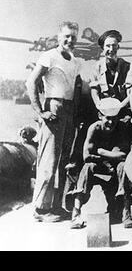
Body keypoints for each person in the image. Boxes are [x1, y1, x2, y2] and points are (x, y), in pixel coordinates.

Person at [26, 21, 81, 222]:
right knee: (48, 159)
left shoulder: (75, 61)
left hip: (68, 110)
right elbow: (31, 82)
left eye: (73, 37)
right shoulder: (49, 56)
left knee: (63, 161)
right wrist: (40, 112)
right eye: (66, 36)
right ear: (59, 37)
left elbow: (75, 88)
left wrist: (76, 115)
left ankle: (56, 206)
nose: (70, 40)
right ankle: (40, 209)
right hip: (54, 107)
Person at [70, 98, 132, 229]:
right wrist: (108, 157)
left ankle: (126, 212)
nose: (111, 122)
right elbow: (87, 156)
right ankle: (76, 213)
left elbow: (123, 155)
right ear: (100, 116)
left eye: (114, 118)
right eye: (107, 118)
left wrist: (100, 151)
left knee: (123, 167)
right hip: (99, 165)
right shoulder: (94, 128)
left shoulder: (121, 127)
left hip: (114, 166)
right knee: (88, 168)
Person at [89, 30, 131, 119]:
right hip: (104, 111)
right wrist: (99, 105)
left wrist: (120, 106)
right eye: (108, 46)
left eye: (114, 45)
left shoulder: (127, 67)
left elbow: (131, 92)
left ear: (118, 47)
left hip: (123, 109)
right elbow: (94, 90)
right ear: (102, 48)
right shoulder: (96, 67)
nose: (111, 49)